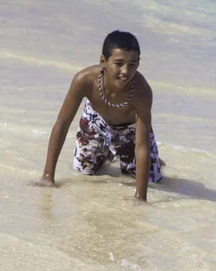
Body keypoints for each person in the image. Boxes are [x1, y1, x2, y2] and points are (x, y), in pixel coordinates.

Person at [38, 30, 163, 201]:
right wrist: (47, 176)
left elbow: (142, 145)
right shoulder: (84, 80)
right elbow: (62, 123)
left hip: (130, 129)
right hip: (96, 120)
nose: (126, 71)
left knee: (153, 181)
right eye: (119, 63)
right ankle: (106, 152)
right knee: (85, 172)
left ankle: (143, 157)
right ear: (103, 61)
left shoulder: (142, 92)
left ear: (138, 63)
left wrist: (140, 197)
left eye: (132, 64)